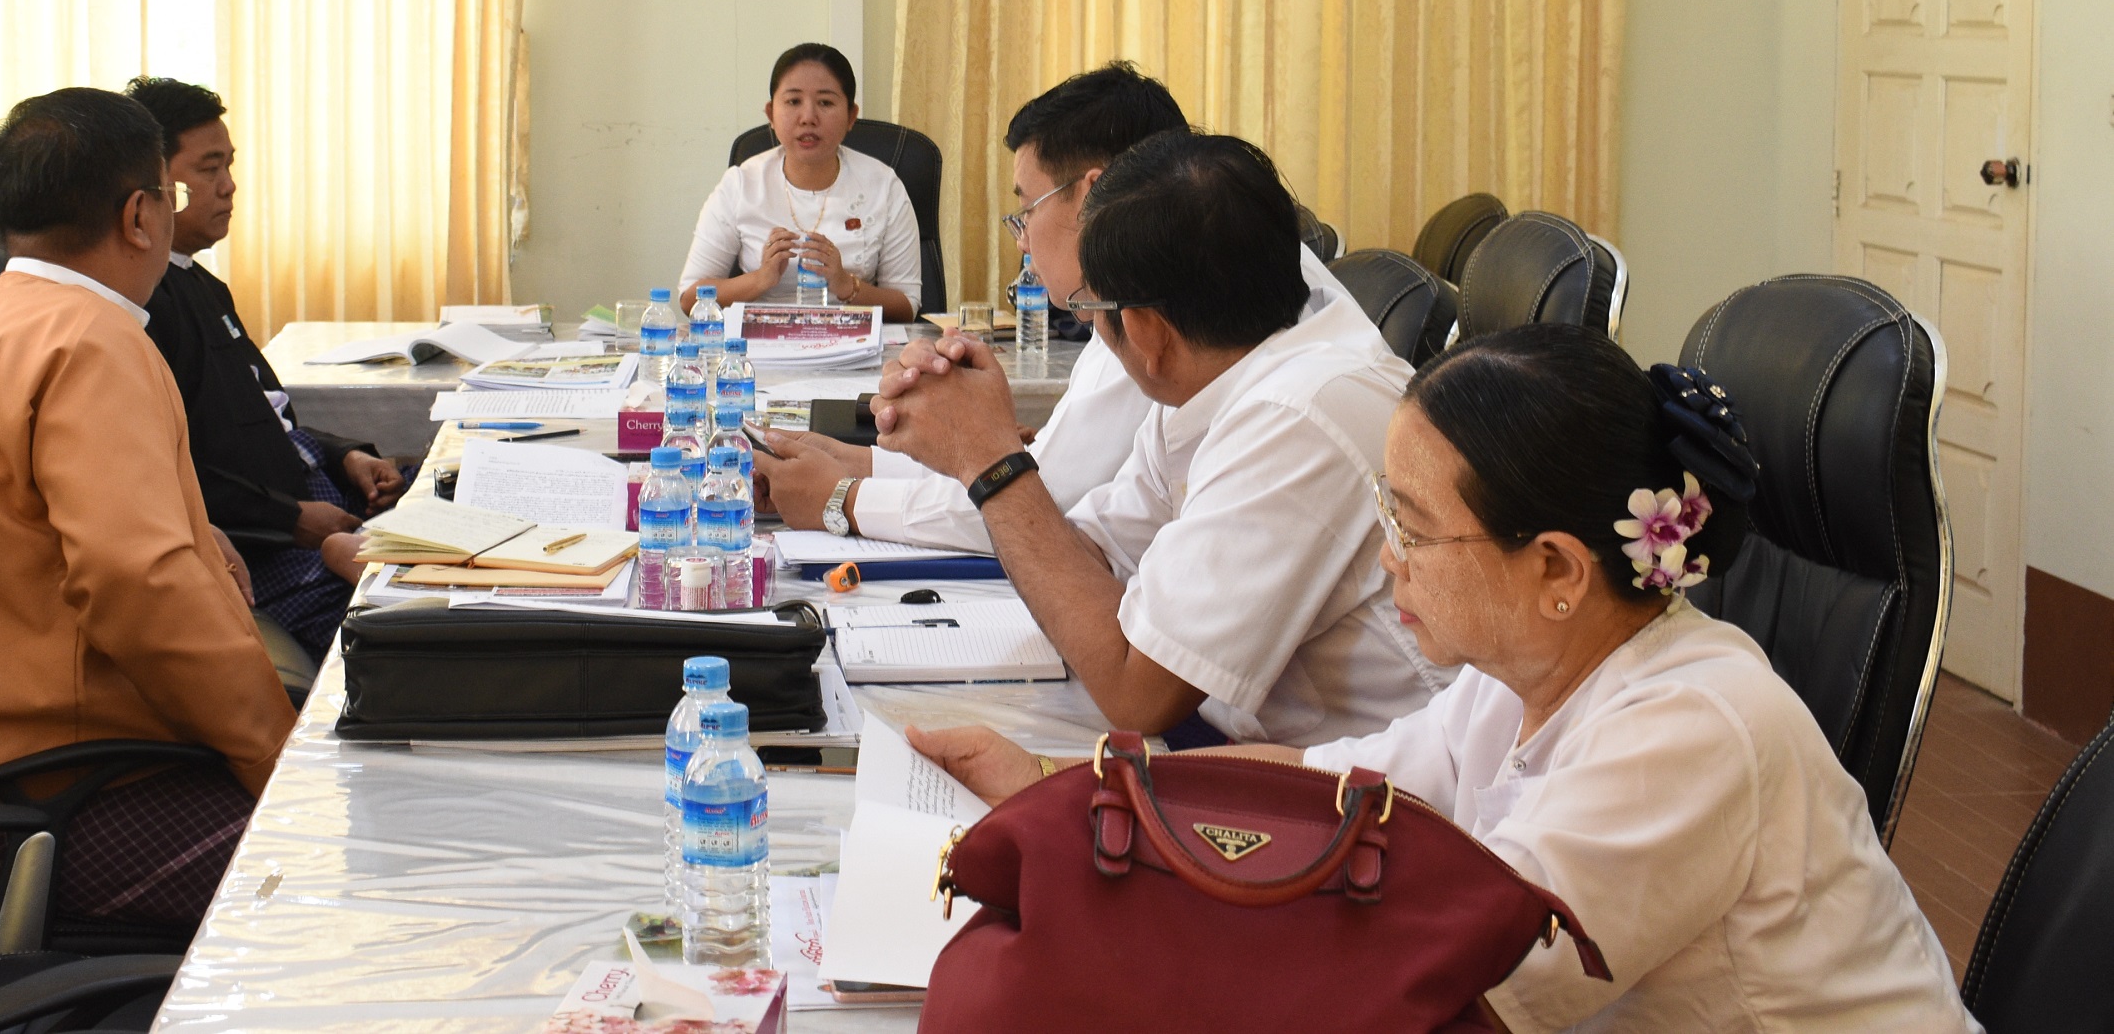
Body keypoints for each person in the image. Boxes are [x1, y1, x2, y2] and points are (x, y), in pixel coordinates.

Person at [910, 325, 1977, 1033]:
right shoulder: (1525, 672)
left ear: (1556, 569)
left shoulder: (1690, 730)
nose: (1388, 560)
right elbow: (1323, 797)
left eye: (1413, 528)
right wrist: (1069, 793)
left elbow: (1451, 994)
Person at [0, 87, 295, 931]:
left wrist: (197, 534)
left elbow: (33, 522)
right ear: (141, 215)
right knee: (343, 865)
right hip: (42, 804)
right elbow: (140, 585)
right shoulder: (93, 341)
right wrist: (283, 755)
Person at [870, 129, 1442, 743]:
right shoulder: (1219, 371)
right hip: (1242, 736)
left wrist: (990, 460)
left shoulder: (1296, 418)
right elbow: (1096, 551)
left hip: (1365, 782)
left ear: (1145, 330)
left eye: (1090, 307)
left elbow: (1137, 693)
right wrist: (978, 438)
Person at [754, 62, 1186, 549]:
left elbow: (1037, 509)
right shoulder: (1125, 305)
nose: (1023, 243)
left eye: (1028, 210)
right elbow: (1036, 469)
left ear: (1091, 197)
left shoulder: (1151, 324)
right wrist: (851, 462)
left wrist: (843, 499)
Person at [127, 76, 407, 658]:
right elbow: (170, 468)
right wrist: (290, 518)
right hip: (274, 547)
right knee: (424, 633)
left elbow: (267, 415)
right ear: (155, 185)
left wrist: (347, 455)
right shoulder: (145, 309)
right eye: (209, 169)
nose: (229, 186)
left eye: (229, 166)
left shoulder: (204, 286)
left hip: (314, 501)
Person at [677, 43, 920, 321]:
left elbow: (907, 306)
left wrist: (846, 285)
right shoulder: (742, 184)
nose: (808, 118)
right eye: (793, 101)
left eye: (825, 103)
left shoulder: (883, 186)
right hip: (760, 342)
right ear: (771, 114)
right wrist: (760, 279)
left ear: (851, 116)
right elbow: (689, 299)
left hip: (854, 342)